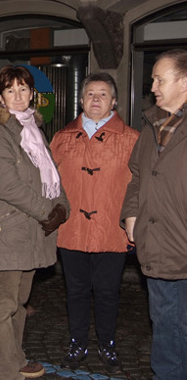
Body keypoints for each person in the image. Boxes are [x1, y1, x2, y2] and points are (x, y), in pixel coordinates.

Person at [0, 65, 69, 379]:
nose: (18, 95)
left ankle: (16, 358)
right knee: (3, 303)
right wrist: (48, 212)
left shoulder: (33, 130)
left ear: (32, 94)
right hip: (8, 229)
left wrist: (63, 204)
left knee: (21, 301)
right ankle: (3, 371)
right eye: (10, 90)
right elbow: (7, 185)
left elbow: (48, 176)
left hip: (31, 228)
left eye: (23, 89)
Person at [51, 73, 139, 373]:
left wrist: (134, 221)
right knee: (74, 291)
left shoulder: (131, 139)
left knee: (107, 292)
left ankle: (107, 344)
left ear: (114, 101)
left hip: (112, 231)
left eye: (103, 94)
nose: (96, 99)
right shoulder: (62, 138)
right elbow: (50, 184)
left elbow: (139, 185)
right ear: (81, 99)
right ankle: (77, 343)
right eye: (90, 94)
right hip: (72, 229)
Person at [121, 49, 187, 380]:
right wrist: (131, 213)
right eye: (153, 80)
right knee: (165, 325)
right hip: (157, 247)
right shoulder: (151, 125)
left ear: (185, 81)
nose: (153, 86)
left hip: (183, 246)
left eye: (160, 79)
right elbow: (137, 175)